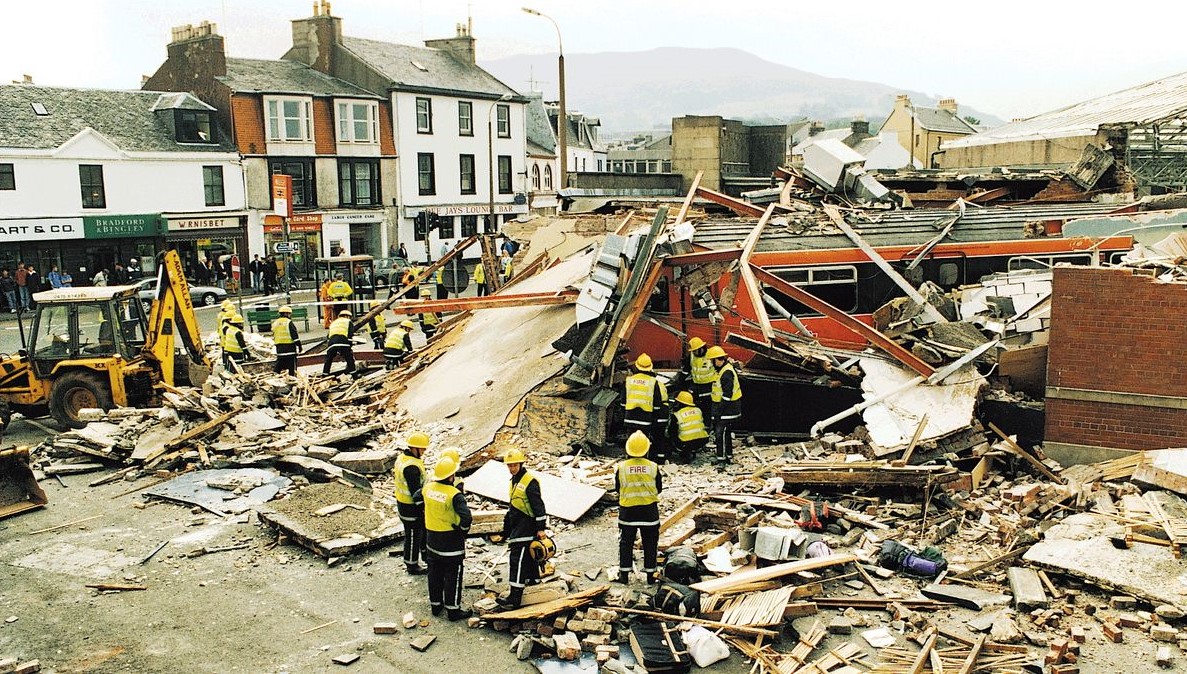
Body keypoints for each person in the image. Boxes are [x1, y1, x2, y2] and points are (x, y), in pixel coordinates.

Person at [422, 456, 472, 621]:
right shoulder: (454, 494)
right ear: (451, 476)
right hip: (451, 542)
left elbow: (417, 499)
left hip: (432, 540)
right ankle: (453, 609)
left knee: (434, 573)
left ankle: (436, 605)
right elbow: (466, 518)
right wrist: (462, 531)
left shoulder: (427, 488)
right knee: (453, 575)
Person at [498, 448, 547, 609]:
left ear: (521, 463)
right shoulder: (515, 481)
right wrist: (505, 531)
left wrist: (540, 528)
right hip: (518, 526)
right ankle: (533, 581)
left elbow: (539, 507)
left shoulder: (529, 481)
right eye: (509, 466)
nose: (512, 468)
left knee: (517, 560)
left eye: (514, 465)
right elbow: (513, 506)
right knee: (528, 557)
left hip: (526, 527)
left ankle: (514, 597)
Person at [614, 431, 663, 584]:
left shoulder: (621, 467)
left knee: (626, 543)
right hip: (649, 513)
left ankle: (624, 574)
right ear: (647, 449)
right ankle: (650, 575)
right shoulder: (653, 467)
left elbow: (618, 488)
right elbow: (659, 488)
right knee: (650, 543)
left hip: (628, 512)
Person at [622, 353, 669, 462]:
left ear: (637, 366)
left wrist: (624, 413)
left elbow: (623, 401)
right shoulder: (653, 382)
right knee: (643, 440)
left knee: (631, 439)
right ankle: (643, 459)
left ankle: (630, 459)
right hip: (645, 418)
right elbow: (657, 403)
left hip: (630, 416)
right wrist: (655, 418)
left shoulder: (629, 380)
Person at [395, 432, 430, 575]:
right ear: (414, 448)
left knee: (419, 533)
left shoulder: (403, 458)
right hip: (410, 506)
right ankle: (411, 564)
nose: (424, 452)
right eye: (422, 449)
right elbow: (416, 492)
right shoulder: (411, 467)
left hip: (403, 503)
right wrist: (422, 507)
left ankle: (425, 558)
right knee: (413, 535)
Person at [707, 345, 742, 464]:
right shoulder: (723, 370)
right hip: (728, 408)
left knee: (719, 433)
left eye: (712, 361)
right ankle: (728, 456)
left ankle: (721, 459)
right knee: (725, 432)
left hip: (728, 409)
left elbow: (727, 395)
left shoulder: (726, 372)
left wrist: (717, 412)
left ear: (717, 360)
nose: (711, 364)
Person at [667, 391, 710, 463]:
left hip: (685, 443)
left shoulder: (677, 415)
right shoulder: (698, 410)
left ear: (680, 403)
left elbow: (671, 431)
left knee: (669, 437)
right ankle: (692, 451)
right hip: (702, 440)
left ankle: (684, 453)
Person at [679, 337, 716, 420]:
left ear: (702, 348)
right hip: (696, 385)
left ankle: (707, 424)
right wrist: (680, 384)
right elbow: (685, 372)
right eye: (693, 350)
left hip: (710, 386)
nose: (694, 352)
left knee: (707, 407)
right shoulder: (691, 356)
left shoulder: (711, 355)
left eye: (696, 350)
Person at [322, 309, 356, 376]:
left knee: (328, 360)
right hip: (343, 342)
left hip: (332, 343)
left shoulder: (333, 323)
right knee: (349, 358)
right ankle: (354, 375)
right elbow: (350, 335)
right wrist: (350, 345)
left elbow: (328, 335)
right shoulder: (348, 321)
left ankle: (324, 375)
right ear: (347, 316)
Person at [271, 305, 301, 375]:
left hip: (279, 349)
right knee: (292, 368)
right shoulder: (289, 322)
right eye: (289, 314)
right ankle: (292, 380)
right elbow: (295, 336)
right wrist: (299, 346)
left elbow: (274, 334)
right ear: (286, 313)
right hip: (289, 348)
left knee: (279, 364)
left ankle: (275, 376)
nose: (290, 315)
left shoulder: (275, 323)